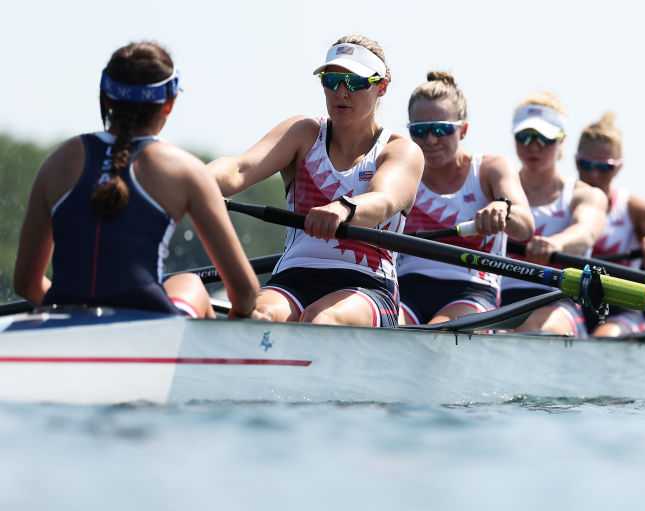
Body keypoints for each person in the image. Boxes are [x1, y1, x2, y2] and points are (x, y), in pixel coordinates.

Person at [13, 41, 260, 319]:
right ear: (168, 104)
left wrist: (70, 316)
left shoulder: (59, 160)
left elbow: (26, 282)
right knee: (188, 282)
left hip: (64, 320)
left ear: (106, 99)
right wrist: (244, 318)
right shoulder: (185, 169)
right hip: (151, 329)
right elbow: (245, 292)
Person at [209, 35, 424, 327]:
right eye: (331, 81)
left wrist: (344, 208)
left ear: (381, 87)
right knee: (257, 317)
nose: (341, 92)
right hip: (295, 275)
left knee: (321, 320)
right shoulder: (303, 134)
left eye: (355, 82)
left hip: (369, 286)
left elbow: (384, 200)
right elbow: (238, 169)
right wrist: (188, 181)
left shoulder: (400, 150)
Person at [397, 72, 533, 325]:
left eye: (442, 129)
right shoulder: (401, 171)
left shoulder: (490, 169)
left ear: (464, 130)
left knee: (437, 333)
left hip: (472, 290)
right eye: (420, 131)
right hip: (406, 289)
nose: (431, 140)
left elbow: (525, 226)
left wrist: (502, 209)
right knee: (381, 329)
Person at [576, 113, 645, 337]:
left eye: (604, 167)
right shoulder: (561, 197)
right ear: (574, 160)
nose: (593, 174)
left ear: (619, 167)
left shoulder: (635, 208)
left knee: (604, 338)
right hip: (571, 303)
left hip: (620, 310)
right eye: (585, 165)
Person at [503, 92, 607, 336]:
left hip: (558, 299)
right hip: (499, 298)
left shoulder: (585, 195)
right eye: (524, 137)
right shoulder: (494, 186)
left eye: (545, 138)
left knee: (532, 330)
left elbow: (586, 232)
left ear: (562, 141)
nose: (534, 146)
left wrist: (555, 243)